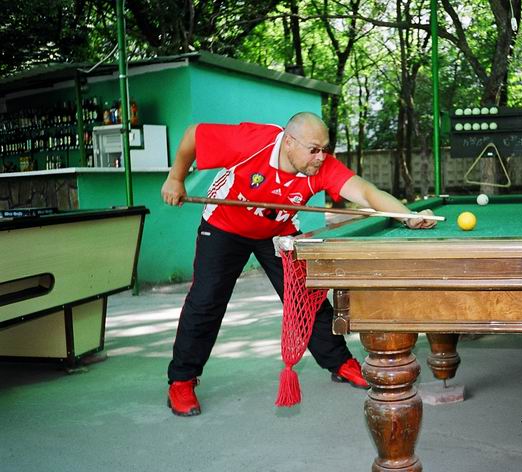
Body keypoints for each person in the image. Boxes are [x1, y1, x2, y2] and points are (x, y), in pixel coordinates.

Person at [161, 112, 436, 416]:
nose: (321, 157)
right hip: (224, 227)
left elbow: (366, 192)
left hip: (277, 231)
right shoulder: (251, 141)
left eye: (325, 149)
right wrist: (176, 178)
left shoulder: (321, 166)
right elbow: (194, 135)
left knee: (308, 297)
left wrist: (407, 216)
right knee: (206, 301)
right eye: (314, 149)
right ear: (289, 142)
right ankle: (182, 380)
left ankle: (339, 362)